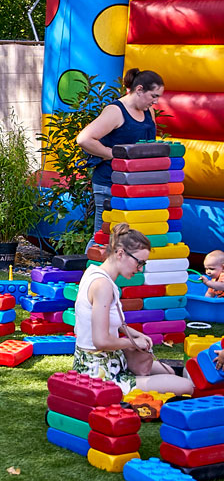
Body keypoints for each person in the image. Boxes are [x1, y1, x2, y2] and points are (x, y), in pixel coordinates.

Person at [73, 223, 193, 396]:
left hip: (110, 361)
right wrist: (133, 343)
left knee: (170, 372)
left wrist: (137, 335)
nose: (140, 269)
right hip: (100, 374)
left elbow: (110, 322)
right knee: (186, 386)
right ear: (120, 253)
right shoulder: (102, 285)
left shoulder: (95, 273)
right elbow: (101, 341)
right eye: (139, 262)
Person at [76, 68, 163, 251]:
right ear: (139, 89)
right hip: (110, 183)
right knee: (104, 237)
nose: (156, 101)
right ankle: (88, 269)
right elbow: (84, 139)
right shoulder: (116, 111)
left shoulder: (149, 111)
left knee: (133, 237)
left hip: (137, 185)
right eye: (153, 96)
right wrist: (113, 154)